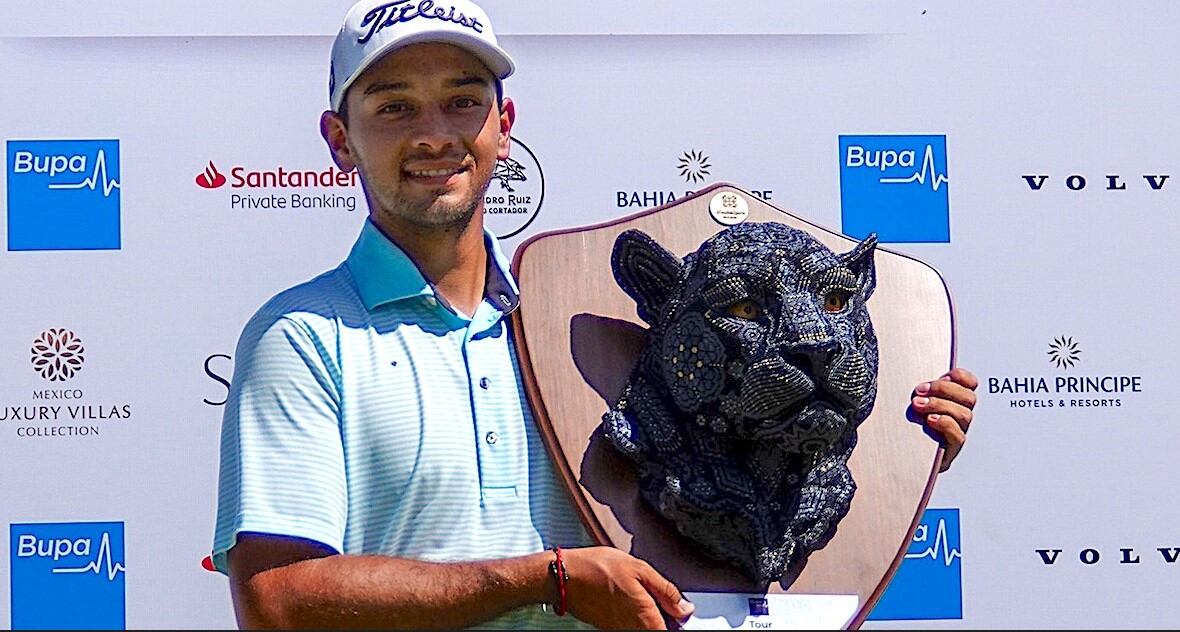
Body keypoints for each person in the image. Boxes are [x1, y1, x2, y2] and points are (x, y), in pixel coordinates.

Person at [210, 0, 980, 629]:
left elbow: (735, 491)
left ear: (504, 124)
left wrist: (882, 438)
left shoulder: (573, 317)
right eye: (394, 107)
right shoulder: (302, 336)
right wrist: (547, 580)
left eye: (463, 101)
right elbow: (277, 602)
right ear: (340, 140)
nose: (436, 134)